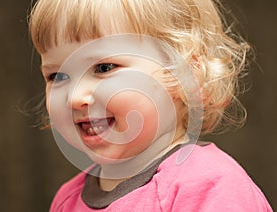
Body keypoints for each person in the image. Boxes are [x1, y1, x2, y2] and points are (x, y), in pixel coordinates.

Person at [29, 0, 273, 211]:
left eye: (104, 68)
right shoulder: (66, 201)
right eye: (58, 76)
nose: (74, 97)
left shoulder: (212, 186)